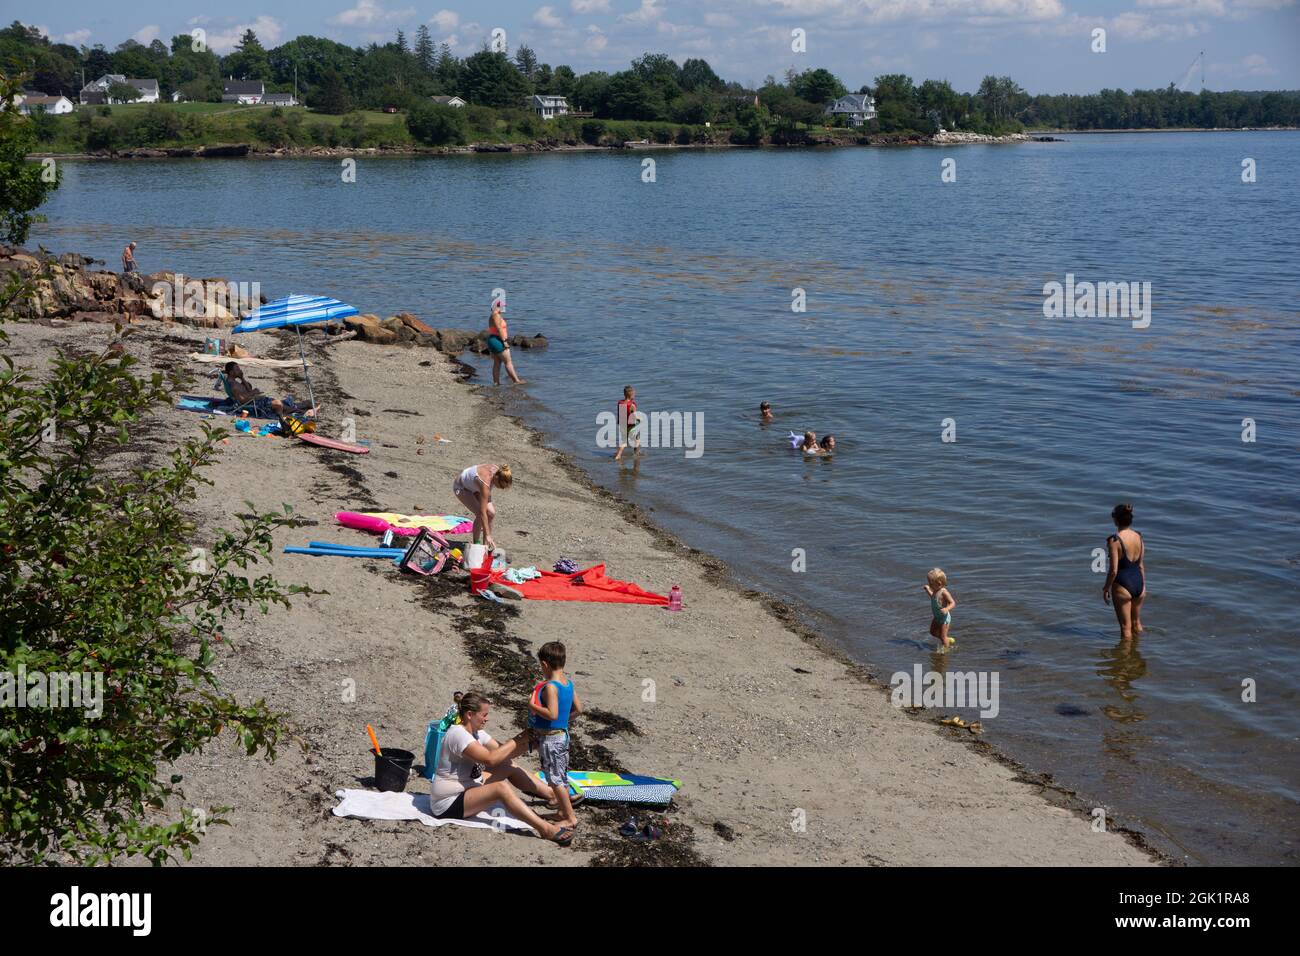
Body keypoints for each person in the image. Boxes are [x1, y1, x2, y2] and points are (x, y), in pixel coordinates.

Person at [429, 692, 573, 846]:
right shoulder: (458, 735)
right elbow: (491, 759)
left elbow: (503, 753)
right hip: (448, 801)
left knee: (508, 765)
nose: (487, 718)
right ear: (470, 714)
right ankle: (545, 829)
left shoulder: (477, 733)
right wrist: (519, 738)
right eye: (484, 715)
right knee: (500, 788)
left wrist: (531, 743)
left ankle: (552, 795)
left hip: (468, 786)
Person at [527, 641, 583, 830]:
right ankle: (561, 811)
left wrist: (532, 706)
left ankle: (570, 817)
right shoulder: (568, 684)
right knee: (561, 776)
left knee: (555, 779)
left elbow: (551, 713)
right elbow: (579, 709)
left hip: (552, 739)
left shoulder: (551, 686)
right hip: (562, 736)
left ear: (544, 664)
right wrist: (564, 722)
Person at [1103, 503, 1146, 641]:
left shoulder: (1114, 540)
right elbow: (1140, 565)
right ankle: (1139, 651)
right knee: (1136, 623)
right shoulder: (1139, 536)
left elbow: (1114, 570)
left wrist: (1106, 588)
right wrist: (1143, 585)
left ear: (1116, 520)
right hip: (1139, 583)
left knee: (1125, 628)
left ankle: (1126, 660)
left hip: (1123, 584)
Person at [452, 463, 512, 550]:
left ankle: (486, 546)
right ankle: (476, 543)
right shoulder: (485, 484)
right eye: (502, 486)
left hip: (475, 486)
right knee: (480, 514)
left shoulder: (498, 471)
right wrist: (487, 534)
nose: (501, 488)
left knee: (491, 513)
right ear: (496, 478)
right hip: (461, 487)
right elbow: (482, 512)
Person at [486, 305, 524, 385]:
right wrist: (504, 341)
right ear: (496, 307)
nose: (503, 308)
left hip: (493, 339)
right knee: (508, 362)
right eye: (501, 307)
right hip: (497, 340)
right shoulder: (495, 315)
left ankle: (496, 383)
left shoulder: (494, 315)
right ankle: (516, 381)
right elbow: (499, 328)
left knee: (497, 362)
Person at [924, 568, 956, 648]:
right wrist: (928, 590)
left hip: (944, 618)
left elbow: (953, 603)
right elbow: (934, 597)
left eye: (931, 584)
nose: (929, 585)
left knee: (942, 636)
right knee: (932, 632)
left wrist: (946, 609)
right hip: (937, 616)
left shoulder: (944, 592)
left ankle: (946, 650)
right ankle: (946, 639)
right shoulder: (935, 590)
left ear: (939, 583)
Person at [614, 385, 641, 461]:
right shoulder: (632, 405)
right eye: (634, 393)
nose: (635, 395)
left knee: (624, 441)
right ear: (631, 394)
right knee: (637, 439)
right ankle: (636, 454)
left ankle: (618, 455)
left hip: (622, 425)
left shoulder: (620, 402)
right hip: (631, 426)